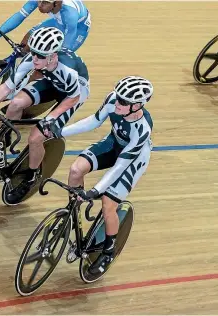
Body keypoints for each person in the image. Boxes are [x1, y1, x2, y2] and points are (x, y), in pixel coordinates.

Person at [0, 27, 90, 204]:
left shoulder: (68, 71)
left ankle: (31, 176)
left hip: (73, 94)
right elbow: (7, 87)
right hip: (51, 82)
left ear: (52, 56)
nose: (34, 58)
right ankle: (5, 135)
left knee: (35, 138)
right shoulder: (35, 58)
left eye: (40, 56)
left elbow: (73, 98)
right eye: (33, 53)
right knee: (15, 103)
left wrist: (50, 119)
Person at [60, 76, 154, 274]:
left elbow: (120, 166)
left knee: (107, 203)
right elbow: (93, 121)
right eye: (118, 97)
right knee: (76, 169)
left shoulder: (142, 129)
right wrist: (61, 132)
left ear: (137, 105)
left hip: (132, 160)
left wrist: (95, 190)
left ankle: (109, 250)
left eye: (124, 101)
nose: (117, 102)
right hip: (113, 143)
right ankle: (72, 213)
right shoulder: (113, 99)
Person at [0, 0, 92, 53]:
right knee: (28, 39)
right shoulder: (44, 2)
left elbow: (68, 40)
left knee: (56, 59)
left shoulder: (69, 13)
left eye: (44, 2)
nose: (39, 5)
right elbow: (20, 16)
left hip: (78, 28)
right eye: (39, 1)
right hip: (58, 21)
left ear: (56, 3)